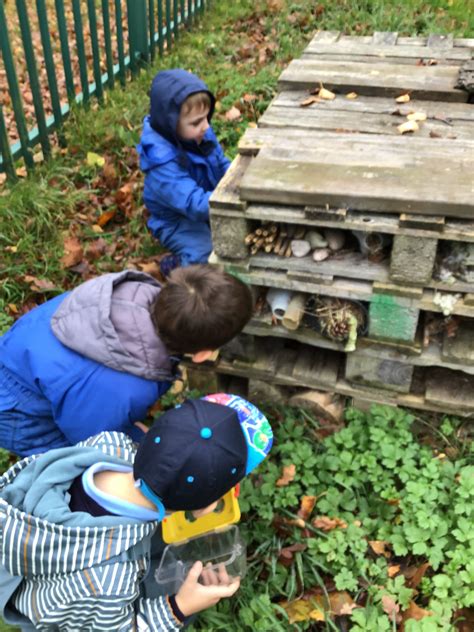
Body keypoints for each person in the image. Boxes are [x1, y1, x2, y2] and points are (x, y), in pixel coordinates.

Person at [0, 394, 273, 631]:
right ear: (207, 509)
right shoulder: (107, 584)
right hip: (62, 605)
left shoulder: (109, 443)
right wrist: (178, 608)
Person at [0, 266, 253, 457]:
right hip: (19, 414)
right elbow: (90, 438)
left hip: (25, 361)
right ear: (202, 354)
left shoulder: (130, 293)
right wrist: (131, 440)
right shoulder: (122, 389)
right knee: (87, 462)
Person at [137, 68, 231, 276]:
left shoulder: (199, 132)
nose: (206, 126)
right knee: (205, 252)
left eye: (207, 117)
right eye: (197, 122)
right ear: (171, 125)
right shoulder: (161, 162)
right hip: (176, 220)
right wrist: (231, 200)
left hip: (208, 201)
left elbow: (221, 163)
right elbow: (192, 203)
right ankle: (175, 266)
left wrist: (235, 177)